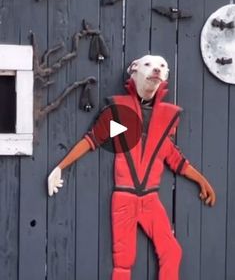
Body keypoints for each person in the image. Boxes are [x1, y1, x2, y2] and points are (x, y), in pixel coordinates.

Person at [48, 55, 216, 280]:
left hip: (150, 200)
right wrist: (60, 167)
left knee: (172, 252)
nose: (155, 69)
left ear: (165, 75)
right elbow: (93, 140)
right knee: (124, 262)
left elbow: (173, 157)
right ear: (133, 71)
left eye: (161, 66)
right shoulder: (120, 115)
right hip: (125, 199)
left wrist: (202, 181)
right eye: (148, 65)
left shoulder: (165, 119)